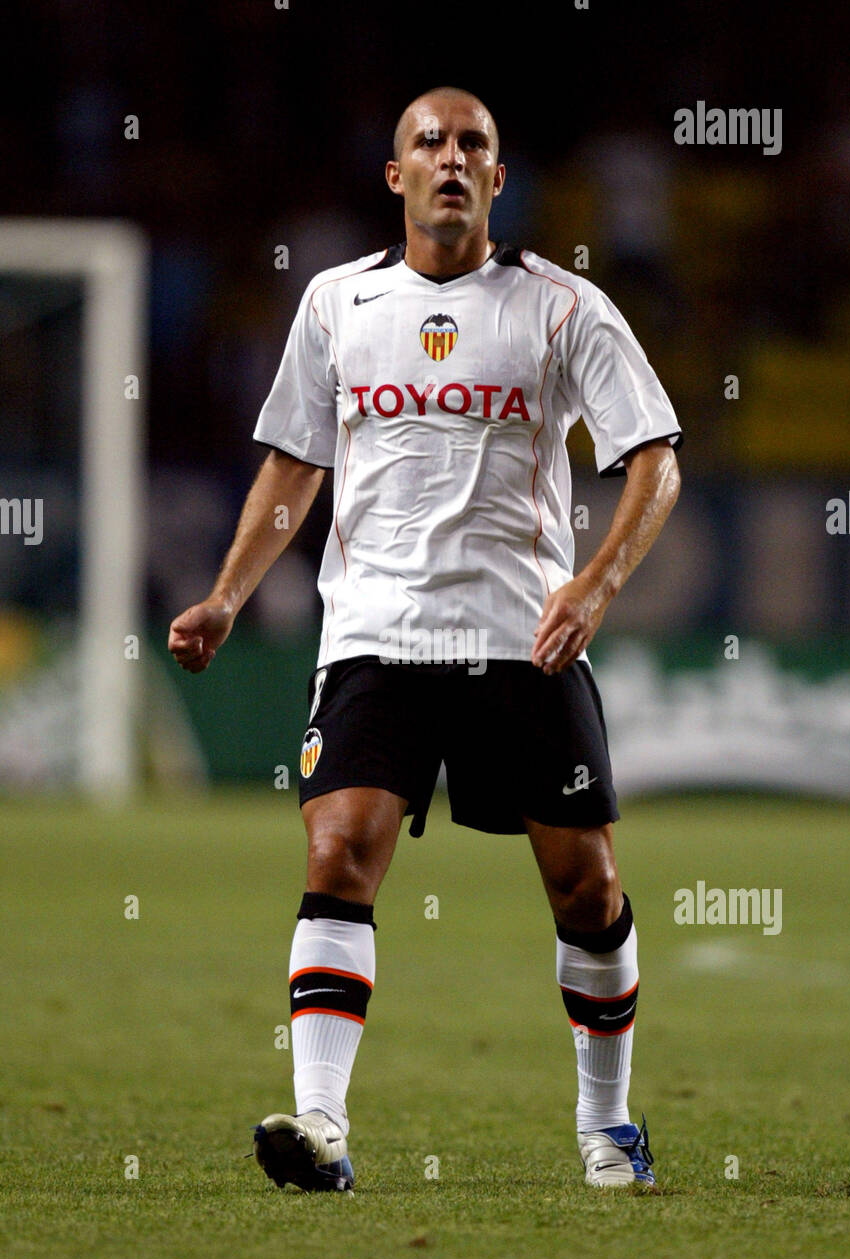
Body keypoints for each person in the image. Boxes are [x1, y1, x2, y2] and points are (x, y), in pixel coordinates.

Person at [168, 86, 682, 1194]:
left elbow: (654, 460)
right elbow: (294, 463)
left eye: (473, 144)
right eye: (428, 143)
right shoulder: (336, 303)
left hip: (520, 637)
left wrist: (593, 587)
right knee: (336, 853)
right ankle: (319, 1127)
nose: (450, 158)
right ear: (393, 175)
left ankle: (607, 1123)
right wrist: (224, 595)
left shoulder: (561, 307)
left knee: (586, 888)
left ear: (499, 177)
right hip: (373, 635)